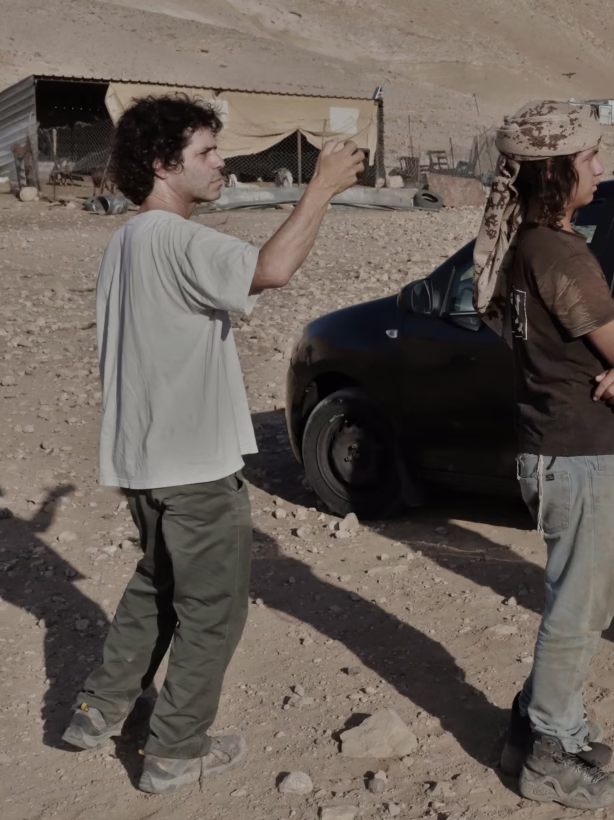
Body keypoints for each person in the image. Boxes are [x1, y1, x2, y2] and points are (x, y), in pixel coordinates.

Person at [61, 95, 365, 793]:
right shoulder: (176, 238)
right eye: (205, 152)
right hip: (193, 467)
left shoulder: (127, 241)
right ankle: (176, 750)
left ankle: (98, 710)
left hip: (143, 462)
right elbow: (272, 268)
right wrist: (321, 188)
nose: (221, 162)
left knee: (158, 583)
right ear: (163, 165)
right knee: (213, 610)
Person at [473, 100, 614, 810]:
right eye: (589, 157)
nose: (601, 168)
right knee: (578, 612)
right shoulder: (558, 252)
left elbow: (575, 352)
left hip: (560, 449)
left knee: (582, 601)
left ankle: (538, 730)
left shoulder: (529, 244)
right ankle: (549, 756)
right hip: (577, 456)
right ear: (556, 171)